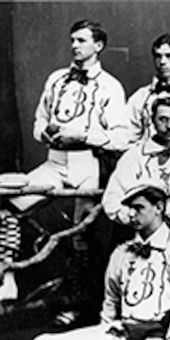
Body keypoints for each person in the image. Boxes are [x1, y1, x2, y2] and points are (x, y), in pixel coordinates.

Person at [0, 180, 170, 340]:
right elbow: (111, 302)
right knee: (45, 339)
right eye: (129, 208)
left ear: (159, 207)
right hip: (120, 332)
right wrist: (102, 334)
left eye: (138, 208)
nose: (131, 214)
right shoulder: (123, 252)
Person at [7, 19, 131, 215]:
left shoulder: (110, 86)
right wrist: (44, 133)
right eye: (72, 40)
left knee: (83, 232)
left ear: (98, 46)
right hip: (54, 163)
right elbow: (40, 120)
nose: (74, 46)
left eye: (81, 41)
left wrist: (82, 136)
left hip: (89, 166)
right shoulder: (56, 79)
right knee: (11, 203)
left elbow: (122, 138)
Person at [103, 97, 170, 228]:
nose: (169, 126)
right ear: (152, 121)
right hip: (152, 230)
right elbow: (112, 201)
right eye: (163, 119)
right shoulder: (135, 156)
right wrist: (138, 218)